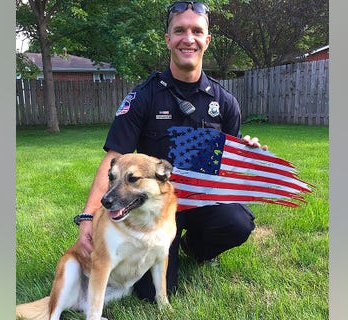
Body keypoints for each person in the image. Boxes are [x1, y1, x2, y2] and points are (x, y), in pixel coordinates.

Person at [73, 1, 267, 301]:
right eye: (179, 30)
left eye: (196, 31)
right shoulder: (143, 97)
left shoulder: (225, 102)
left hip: (201, 202)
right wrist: (88, 216)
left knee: (239, 224)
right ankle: (164, 252)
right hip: (155, 209)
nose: (188, 38)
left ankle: (195, 247)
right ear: (168, 39)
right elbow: (114, 158)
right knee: (151, 294)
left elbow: (228, 160)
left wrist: (248, 152)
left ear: (207, 39)